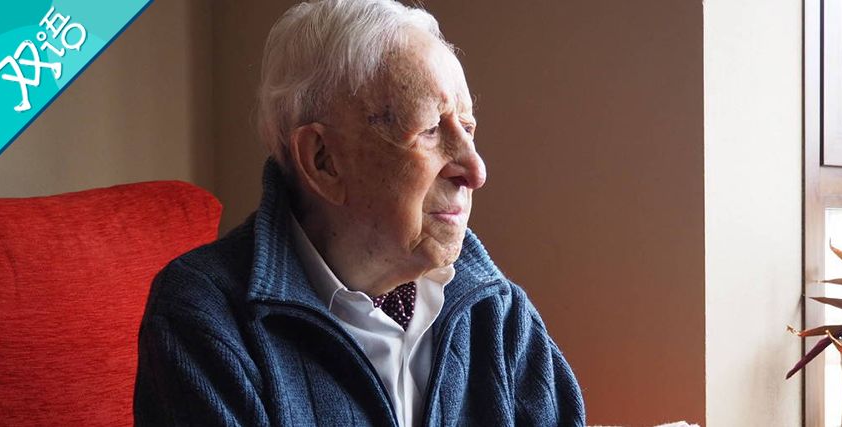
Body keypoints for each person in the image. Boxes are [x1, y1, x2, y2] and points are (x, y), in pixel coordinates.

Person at [133, 1, 584, 425]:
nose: (475, 170)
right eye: (430, 129)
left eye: (467, 129)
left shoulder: (497, 312)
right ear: (324, 160)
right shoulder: (204, 320)